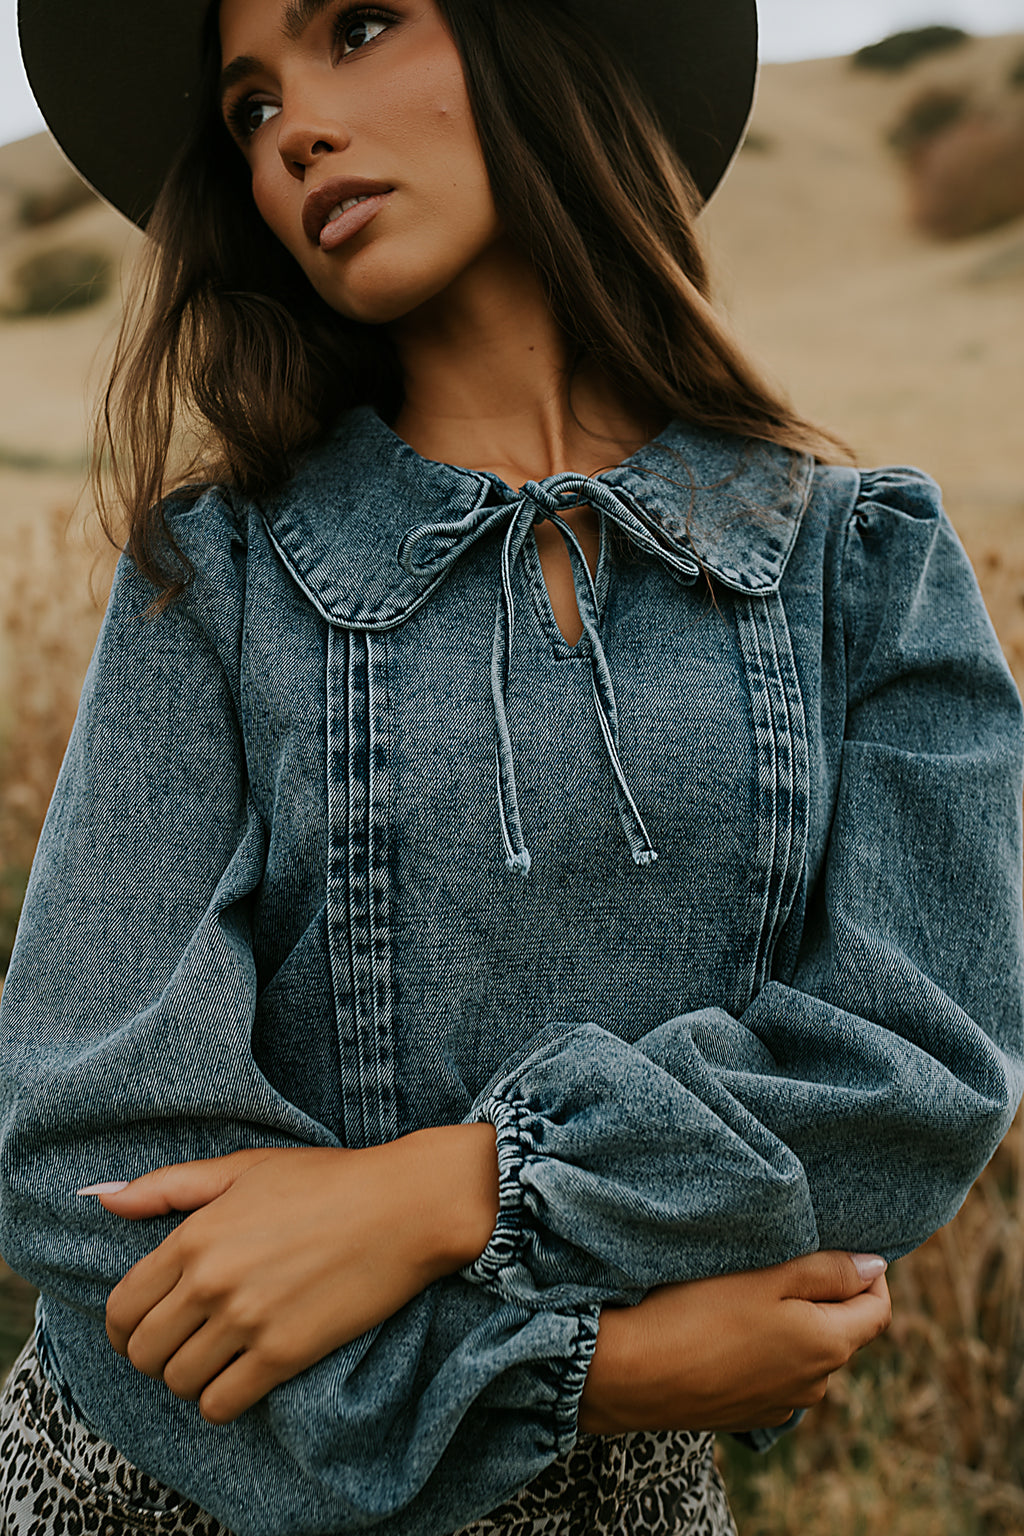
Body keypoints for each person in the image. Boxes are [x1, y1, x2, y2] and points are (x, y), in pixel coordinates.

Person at [2, 0, 1022, 1532]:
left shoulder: (865, 568)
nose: (295, 132)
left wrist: (454, 1189)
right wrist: (582, 1372)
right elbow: (92, 1167)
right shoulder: (215, 578)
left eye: (358, 26)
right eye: (249, 107)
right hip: (167, 1490)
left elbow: (909, 1086)